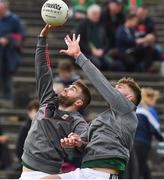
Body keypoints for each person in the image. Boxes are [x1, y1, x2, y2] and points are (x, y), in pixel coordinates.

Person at [42, 34, 141, 179]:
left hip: (102, 174)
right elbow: (80, 147)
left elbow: (101, 83)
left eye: (119, 87)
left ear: (129, 98)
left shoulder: (127, 109)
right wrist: (73, 142)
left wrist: (78, 55)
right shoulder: (100, 119)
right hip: (85, 170)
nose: (114, 88)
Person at [20, 25, 91, 179]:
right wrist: (42, 38)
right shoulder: (48, 100)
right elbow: (43, 70)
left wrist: (76, 142)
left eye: (73, 89)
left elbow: (85, 141)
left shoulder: (77, 122)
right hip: (26, 172)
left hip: (47, 174)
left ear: (79, 102)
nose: (67, 88)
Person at [77, 4, 119, 70]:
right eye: (94, 14)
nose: (96, 16)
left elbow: (106, 41)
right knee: (96, 63)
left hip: (101, 53)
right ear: (89, 14)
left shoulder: (102, 25)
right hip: (87, 53)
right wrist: (91, 50)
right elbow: (80, 41)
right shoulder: (83, 25)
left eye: (98, 14)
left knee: (111, 64)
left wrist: (103, 50)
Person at [134, 88, 164, 179]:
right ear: (150, 99)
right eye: (154, 100)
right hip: (141, 144)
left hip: (130, 143)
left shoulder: (135, 109)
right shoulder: (149, 111)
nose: (154, 103)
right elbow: (156, 129)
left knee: (142, 169)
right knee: (138, 170)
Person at [0, 0, 25, 103]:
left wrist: (8, 38)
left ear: (5, 8)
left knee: (7, 77)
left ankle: (7, 99)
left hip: (9, 54)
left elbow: (21, 36)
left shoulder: (14, 19)